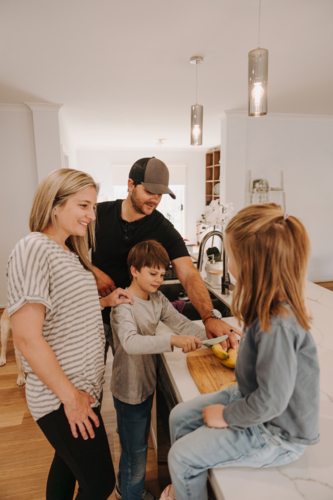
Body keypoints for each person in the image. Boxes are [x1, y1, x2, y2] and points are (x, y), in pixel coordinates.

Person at [160, 204, 320, 500]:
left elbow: (271, 401)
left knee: (181, 456)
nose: (227, 259)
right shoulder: (268, 309)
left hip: (277, 432)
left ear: (251, 264)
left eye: (231, 252)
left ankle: (186, 473)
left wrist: (227, 415)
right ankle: (188, 484)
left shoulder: (278, 325)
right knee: (179, 417)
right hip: (252, 400)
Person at [6, 169, 133, 500]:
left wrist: (105, 300)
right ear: (55, 205)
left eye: (93, 207)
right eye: (83, 205)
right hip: (62, 396)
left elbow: (64, 308)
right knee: (100, 482)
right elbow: (27, 338)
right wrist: (71, 398)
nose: (92, 216)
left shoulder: (69, 253)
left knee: (66, 467)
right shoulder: (34, 247)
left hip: (81, 390)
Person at [91, 157, 240, 356]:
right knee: (91, 379)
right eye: (149, 191)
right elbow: (65, 249)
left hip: (135, 323)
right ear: (130, 185)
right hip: (95, 313)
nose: (155, 198)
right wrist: (94, 273)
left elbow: (188, 273)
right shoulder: (97, 214)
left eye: (160, 193)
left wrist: (209, 316)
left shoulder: (163, 229)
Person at [110, 240, 208, 500]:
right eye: (152, 273)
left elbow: (180, 322)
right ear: (134, 270)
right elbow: (130, 343)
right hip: (128, 389)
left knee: (135, 446)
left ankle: (125, 488)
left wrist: (214, 332)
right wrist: (171, 341)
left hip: (145, 384)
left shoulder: (156, 298)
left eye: (162, 274)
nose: (158, 279)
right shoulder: (123, 305)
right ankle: (131, 495)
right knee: (136, 451)